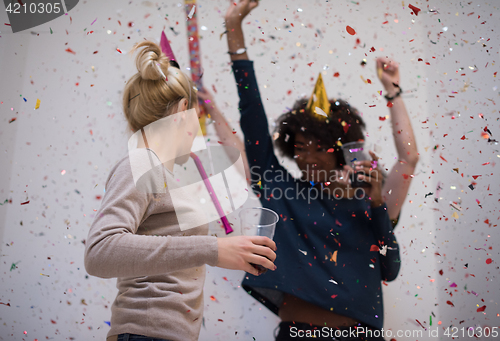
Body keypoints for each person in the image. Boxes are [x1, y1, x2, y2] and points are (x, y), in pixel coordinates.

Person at [223, 1, 419, 340]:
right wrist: (234, 30)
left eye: (318, 147)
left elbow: (408, 161)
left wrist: (393, 92)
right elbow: (251, 112)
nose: (307, 158)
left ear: (340, 149)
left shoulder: (369, 198)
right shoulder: (281, 190)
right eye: (299, 149)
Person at [83, 40, 277, 341]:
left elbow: (249, 172)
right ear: (184, 109)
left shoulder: (172, 173)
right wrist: (212, 249)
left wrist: (224, 248)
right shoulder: (141, 163)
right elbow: (99, 252)